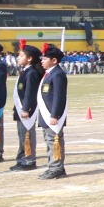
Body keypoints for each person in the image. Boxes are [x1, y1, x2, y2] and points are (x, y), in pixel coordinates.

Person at [36, 43, 71, 179]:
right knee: (49, 141)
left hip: (52, 114)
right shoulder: (49, 74)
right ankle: (52, 166)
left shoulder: (57, 74)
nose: (42, 61)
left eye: (45, 59)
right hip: (46, 114)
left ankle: (57, 168)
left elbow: (58, 96)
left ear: (54, 60)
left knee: (54, 141)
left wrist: (55, 114)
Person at [8, 42, 41, 172]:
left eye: (21, 56)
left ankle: (29, 160)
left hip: (26, 110)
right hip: (20, 109)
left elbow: (30, 93)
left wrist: (26, 109)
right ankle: (21, 159)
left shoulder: (32, 73)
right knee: (22, 136)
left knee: (27, 135)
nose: (18, 58)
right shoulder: (25, 72)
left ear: (29, 58)